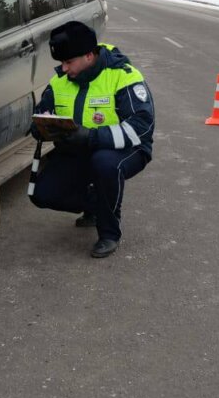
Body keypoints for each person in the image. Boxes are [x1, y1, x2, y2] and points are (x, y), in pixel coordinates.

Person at [29, 21, 154, 258]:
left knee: (104, 164)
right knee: (41, 194)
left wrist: (92, 136)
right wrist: (39, 127)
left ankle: (109, 232)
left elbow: (141, 127)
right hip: (79, 148)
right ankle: (96, 204)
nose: (64, 69)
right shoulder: (60, 81)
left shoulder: (124, 76)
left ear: (89, 55)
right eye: (61, 63)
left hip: (126, 149)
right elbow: (44, 109)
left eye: (68, 62)